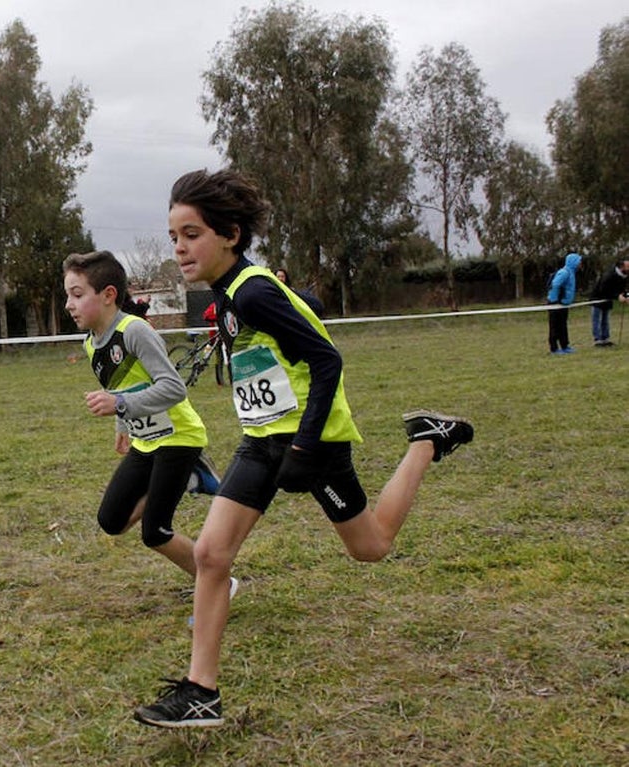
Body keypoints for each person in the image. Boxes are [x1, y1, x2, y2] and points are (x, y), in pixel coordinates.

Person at [132, 169, 474, 729]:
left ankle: (427, 443)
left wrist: (308, 445)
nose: (178, 248)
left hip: (313, 439)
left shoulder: (256, 291)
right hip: (262, 441)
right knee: (212, 556)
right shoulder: (229, 295)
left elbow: (326, 359)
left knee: (371, 547)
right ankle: (201, 692)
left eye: (190, 234)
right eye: (174, 236)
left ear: (230, 235)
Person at [63, 250, 222, 584]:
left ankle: (218, 583)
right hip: (145, 441)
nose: (69, 304)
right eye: (68, 296)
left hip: (179, 437)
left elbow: (174, 389)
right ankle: (191, 478)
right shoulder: (91, 344)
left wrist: (120, 405)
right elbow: (120, 384)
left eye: (77, 295)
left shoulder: (135, 331)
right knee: (112, 521)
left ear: (108, 295)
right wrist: (122, 423)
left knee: (155, 531)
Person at [547, 252, 583, 355]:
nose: (580, 264)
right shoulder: (564, 272)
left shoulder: (571, 273)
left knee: (563, 325)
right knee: (554, 326)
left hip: (563, 304)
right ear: (573, 262)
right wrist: (555, 300)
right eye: (579, 261)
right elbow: (555, 284)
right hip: (556, 303)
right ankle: (554, 349)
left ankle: (565, 346)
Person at [589, 258, 629, 347]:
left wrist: (627, 296)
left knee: (605, 320)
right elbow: (604, 290)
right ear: (622, 267)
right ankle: (598, 340)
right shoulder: (609, 275)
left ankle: (605, 339)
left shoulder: (624, 276)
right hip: (598, 298)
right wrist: (617, 296)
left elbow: (624, 289)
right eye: (628, 266)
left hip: (608, 300)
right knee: (597, 320)